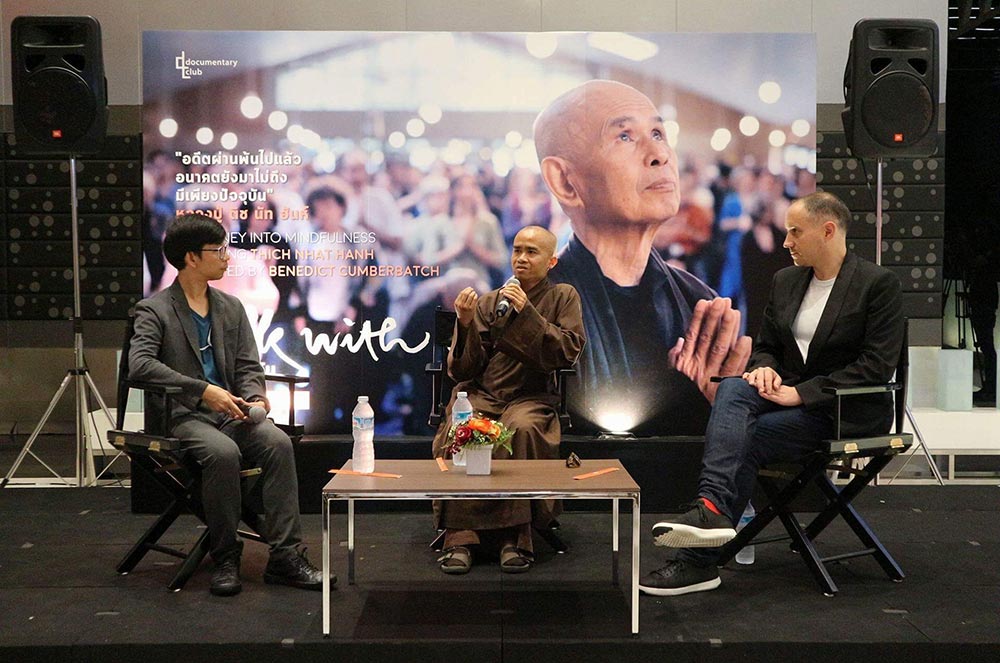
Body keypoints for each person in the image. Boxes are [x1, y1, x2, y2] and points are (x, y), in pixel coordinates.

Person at [640, 192, 904, 596]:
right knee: (733, 386)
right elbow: (767, 347)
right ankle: (711, 508)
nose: (786, 242)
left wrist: (802, 394)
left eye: (795, 232)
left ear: (828, 231)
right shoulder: (786, 281)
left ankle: (699, 560)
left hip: (846, 410)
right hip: (789, 401)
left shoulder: (877, 284)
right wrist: (764, 368)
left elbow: (876, 366)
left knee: (744, 438)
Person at [534, 80, 752, 436]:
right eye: (625, 136)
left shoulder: (698, 303)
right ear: (564, 181)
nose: (659, 155)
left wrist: (726, 414)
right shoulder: (530, 312)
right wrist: (683, 404)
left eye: (658, 133)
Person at [129, 213, 327, 597]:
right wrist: (204, 391)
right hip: (180, 415)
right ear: (191, 258)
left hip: (230, 413)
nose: (227, 257)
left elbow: (248, 366)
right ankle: (225, 555)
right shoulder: (155, 309)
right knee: (222, 454)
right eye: (218, 250)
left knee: (278, 443)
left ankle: (285, 556)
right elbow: (140, 365)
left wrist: (254, 397)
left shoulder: (230, 307)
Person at [431, 226, 585, 575]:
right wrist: (465, 324)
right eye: (517, 250)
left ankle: (513, 537)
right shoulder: (490, 302)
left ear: (551, 262)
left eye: (532, 252)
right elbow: (464, 370)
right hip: (484, 393)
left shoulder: (563, 296)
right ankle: (461, 535)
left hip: (531, 397)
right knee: (467, 426)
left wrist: (527, 313)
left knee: (522, 428)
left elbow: (567, 351)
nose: (522, 258)